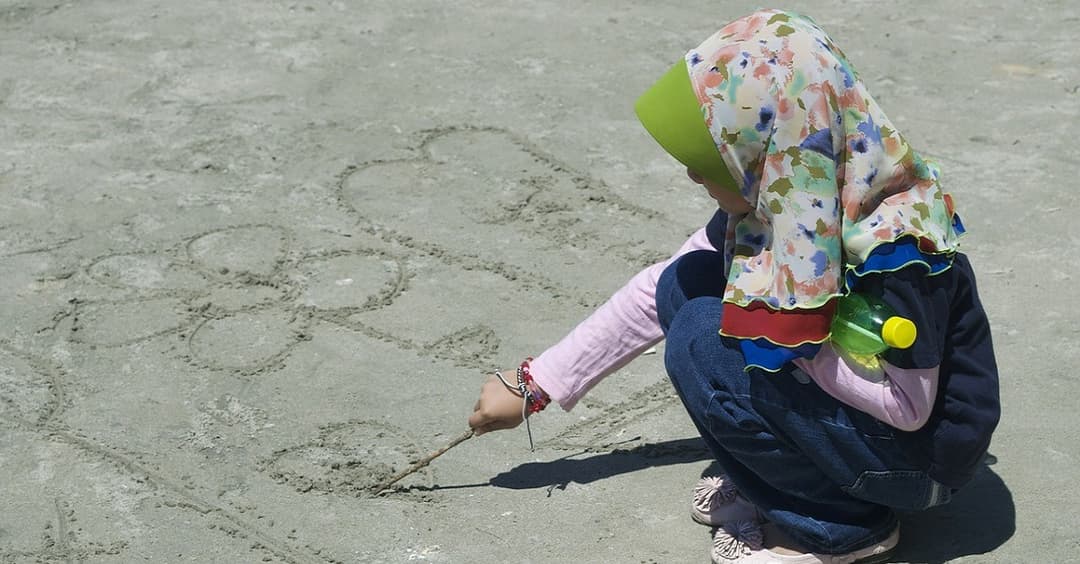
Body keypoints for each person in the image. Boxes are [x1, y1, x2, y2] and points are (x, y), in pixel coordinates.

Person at [468, 9, 1000, 564]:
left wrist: (791, 351)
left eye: (713, 161)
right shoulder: (791, 197)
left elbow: (909, 406)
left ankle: (839, 524)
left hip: (917, 461)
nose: (693, 175)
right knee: (687, 285)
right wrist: (537, 383)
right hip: (861, 423)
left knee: (703, 339)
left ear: (772, 150)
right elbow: (658, 290)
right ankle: (798, 473)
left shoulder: (896, 254)